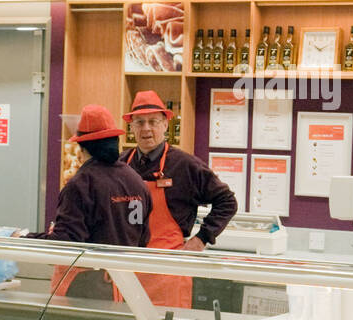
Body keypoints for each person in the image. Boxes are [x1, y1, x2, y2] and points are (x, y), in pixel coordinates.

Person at [121, 90, 238, 308]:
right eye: (140, 122)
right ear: (131, 127)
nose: (146, 128)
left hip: (169, 273)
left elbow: (227, 201)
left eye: (153, 121)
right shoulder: (120, 165)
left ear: (165, 124)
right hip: (126, 271)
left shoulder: (185, 165)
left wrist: (202, 238)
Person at [26, 104, 151, 299]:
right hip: (127, 287)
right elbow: (143, 239)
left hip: (87, 288)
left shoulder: (81, 184)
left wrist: (24, 237)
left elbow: (64, 244)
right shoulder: (136, 180)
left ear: (82, 147)